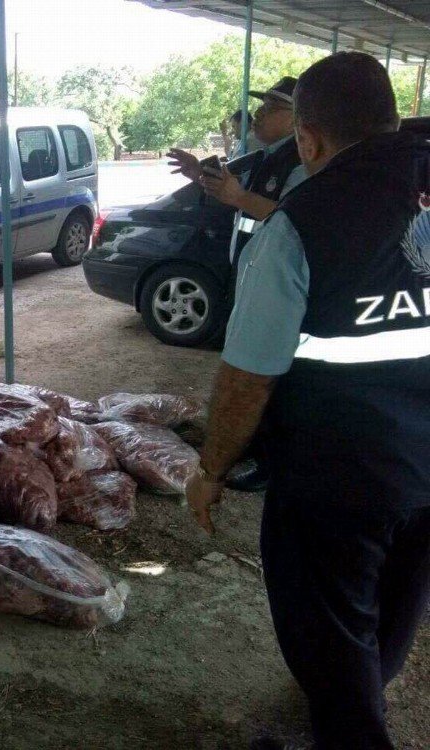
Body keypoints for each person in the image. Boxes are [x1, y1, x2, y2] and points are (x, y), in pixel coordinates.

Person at [186, 52, 430, 750]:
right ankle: (355, 704)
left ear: (309, 140)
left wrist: (211, 471)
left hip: (336, 483)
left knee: (328, 630)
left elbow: (247, 377)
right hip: (424, 470)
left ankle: (352, 728)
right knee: (395, 605)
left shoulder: (300, 223)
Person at [168, 77, 304, 493]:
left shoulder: (301, 161)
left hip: (273, 279)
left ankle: (269, 461)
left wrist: (238, 197)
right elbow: (232, 187)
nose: (259, 114)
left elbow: (294, 216)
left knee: (266, 371)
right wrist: (201, 174)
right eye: (261, 106)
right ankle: (247, 443)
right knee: (245, 358)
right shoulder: (265, 154)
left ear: (298, 119)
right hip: (248, 272)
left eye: (271, 108)